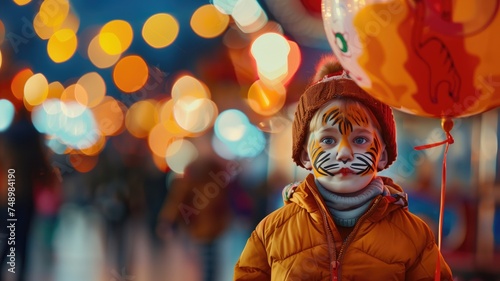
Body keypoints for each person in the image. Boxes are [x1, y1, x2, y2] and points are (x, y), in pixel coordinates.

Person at [233, 56, 453, 280]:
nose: (344, 153)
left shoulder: (413, 236)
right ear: (305, 154)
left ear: (383, 155)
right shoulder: (271, 232)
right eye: (328, 140)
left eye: (360, 140)